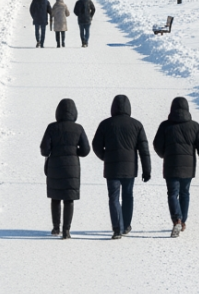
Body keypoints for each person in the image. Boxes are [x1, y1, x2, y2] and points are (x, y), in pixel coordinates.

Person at [92, 94, 151, 239]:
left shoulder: (105, 124)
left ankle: (117, 228)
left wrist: (105, 157)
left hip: (112, 167)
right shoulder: (137, 125)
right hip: (130, 168)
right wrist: (146, 169)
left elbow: (96, 145)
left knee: (113, 197)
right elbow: (144, 150)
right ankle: (126, 226)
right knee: (128, 196)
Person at [152, 97, 199, 238]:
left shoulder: (165, 126)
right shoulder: (194, 126)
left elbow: (156, 144)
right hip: (188, 167)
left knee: (172, 193)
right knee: (185, 193)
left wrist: (164, 154)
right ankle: (183, 221)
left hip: (171, 165)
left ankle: (176, 219)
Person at [41, 98, 91, 239]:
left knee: (55, 197)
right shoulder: (78, 128)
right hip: (72, 168)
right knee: (69, 199)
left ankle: (56, 228)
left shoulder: (52, 127)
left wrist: (52, 150)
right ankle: (66, 230)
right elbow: (86, 149)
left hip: (55, 167)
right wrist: (75, 152)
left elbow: (44, 150)